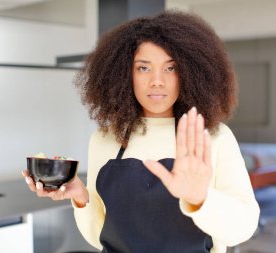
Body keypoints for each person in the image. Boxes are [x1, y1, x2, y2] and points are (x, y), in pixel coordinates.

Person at [22, 10, 260, 253]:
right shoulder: (104, 139)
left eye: (171, 68)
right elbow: (99, 237)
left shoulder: (213, 136)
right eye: (143, 68)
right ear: (124, 74)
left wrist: (201, 199)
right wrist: (81, 198)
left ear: (190, 73)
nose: (157, 81)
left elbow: (242, 228)